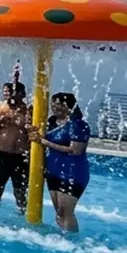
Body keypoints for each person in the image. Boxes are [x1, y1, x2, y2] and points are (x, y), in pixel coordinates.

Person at [38, 92, 90, 233]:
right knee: (59, 212)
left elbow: (75, 150)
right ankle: (64, 235)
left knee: (66, 211)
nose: (55, 108)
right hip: (53, 170)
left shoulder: (78, 125)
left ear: (69, 106)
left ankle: (72, 240)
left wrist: (45, 142)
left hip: (72, 172)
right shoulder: (51, 122)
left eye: (59, 105)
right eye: (53, 105)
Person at [0, 81, 31, 212]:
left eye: (13, 93)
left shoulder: (29, 111)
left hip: (21, 156)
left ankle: (23, 217)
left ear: (22, 94)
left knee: (21, 193)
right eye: (6, 93)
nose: (9, 96)